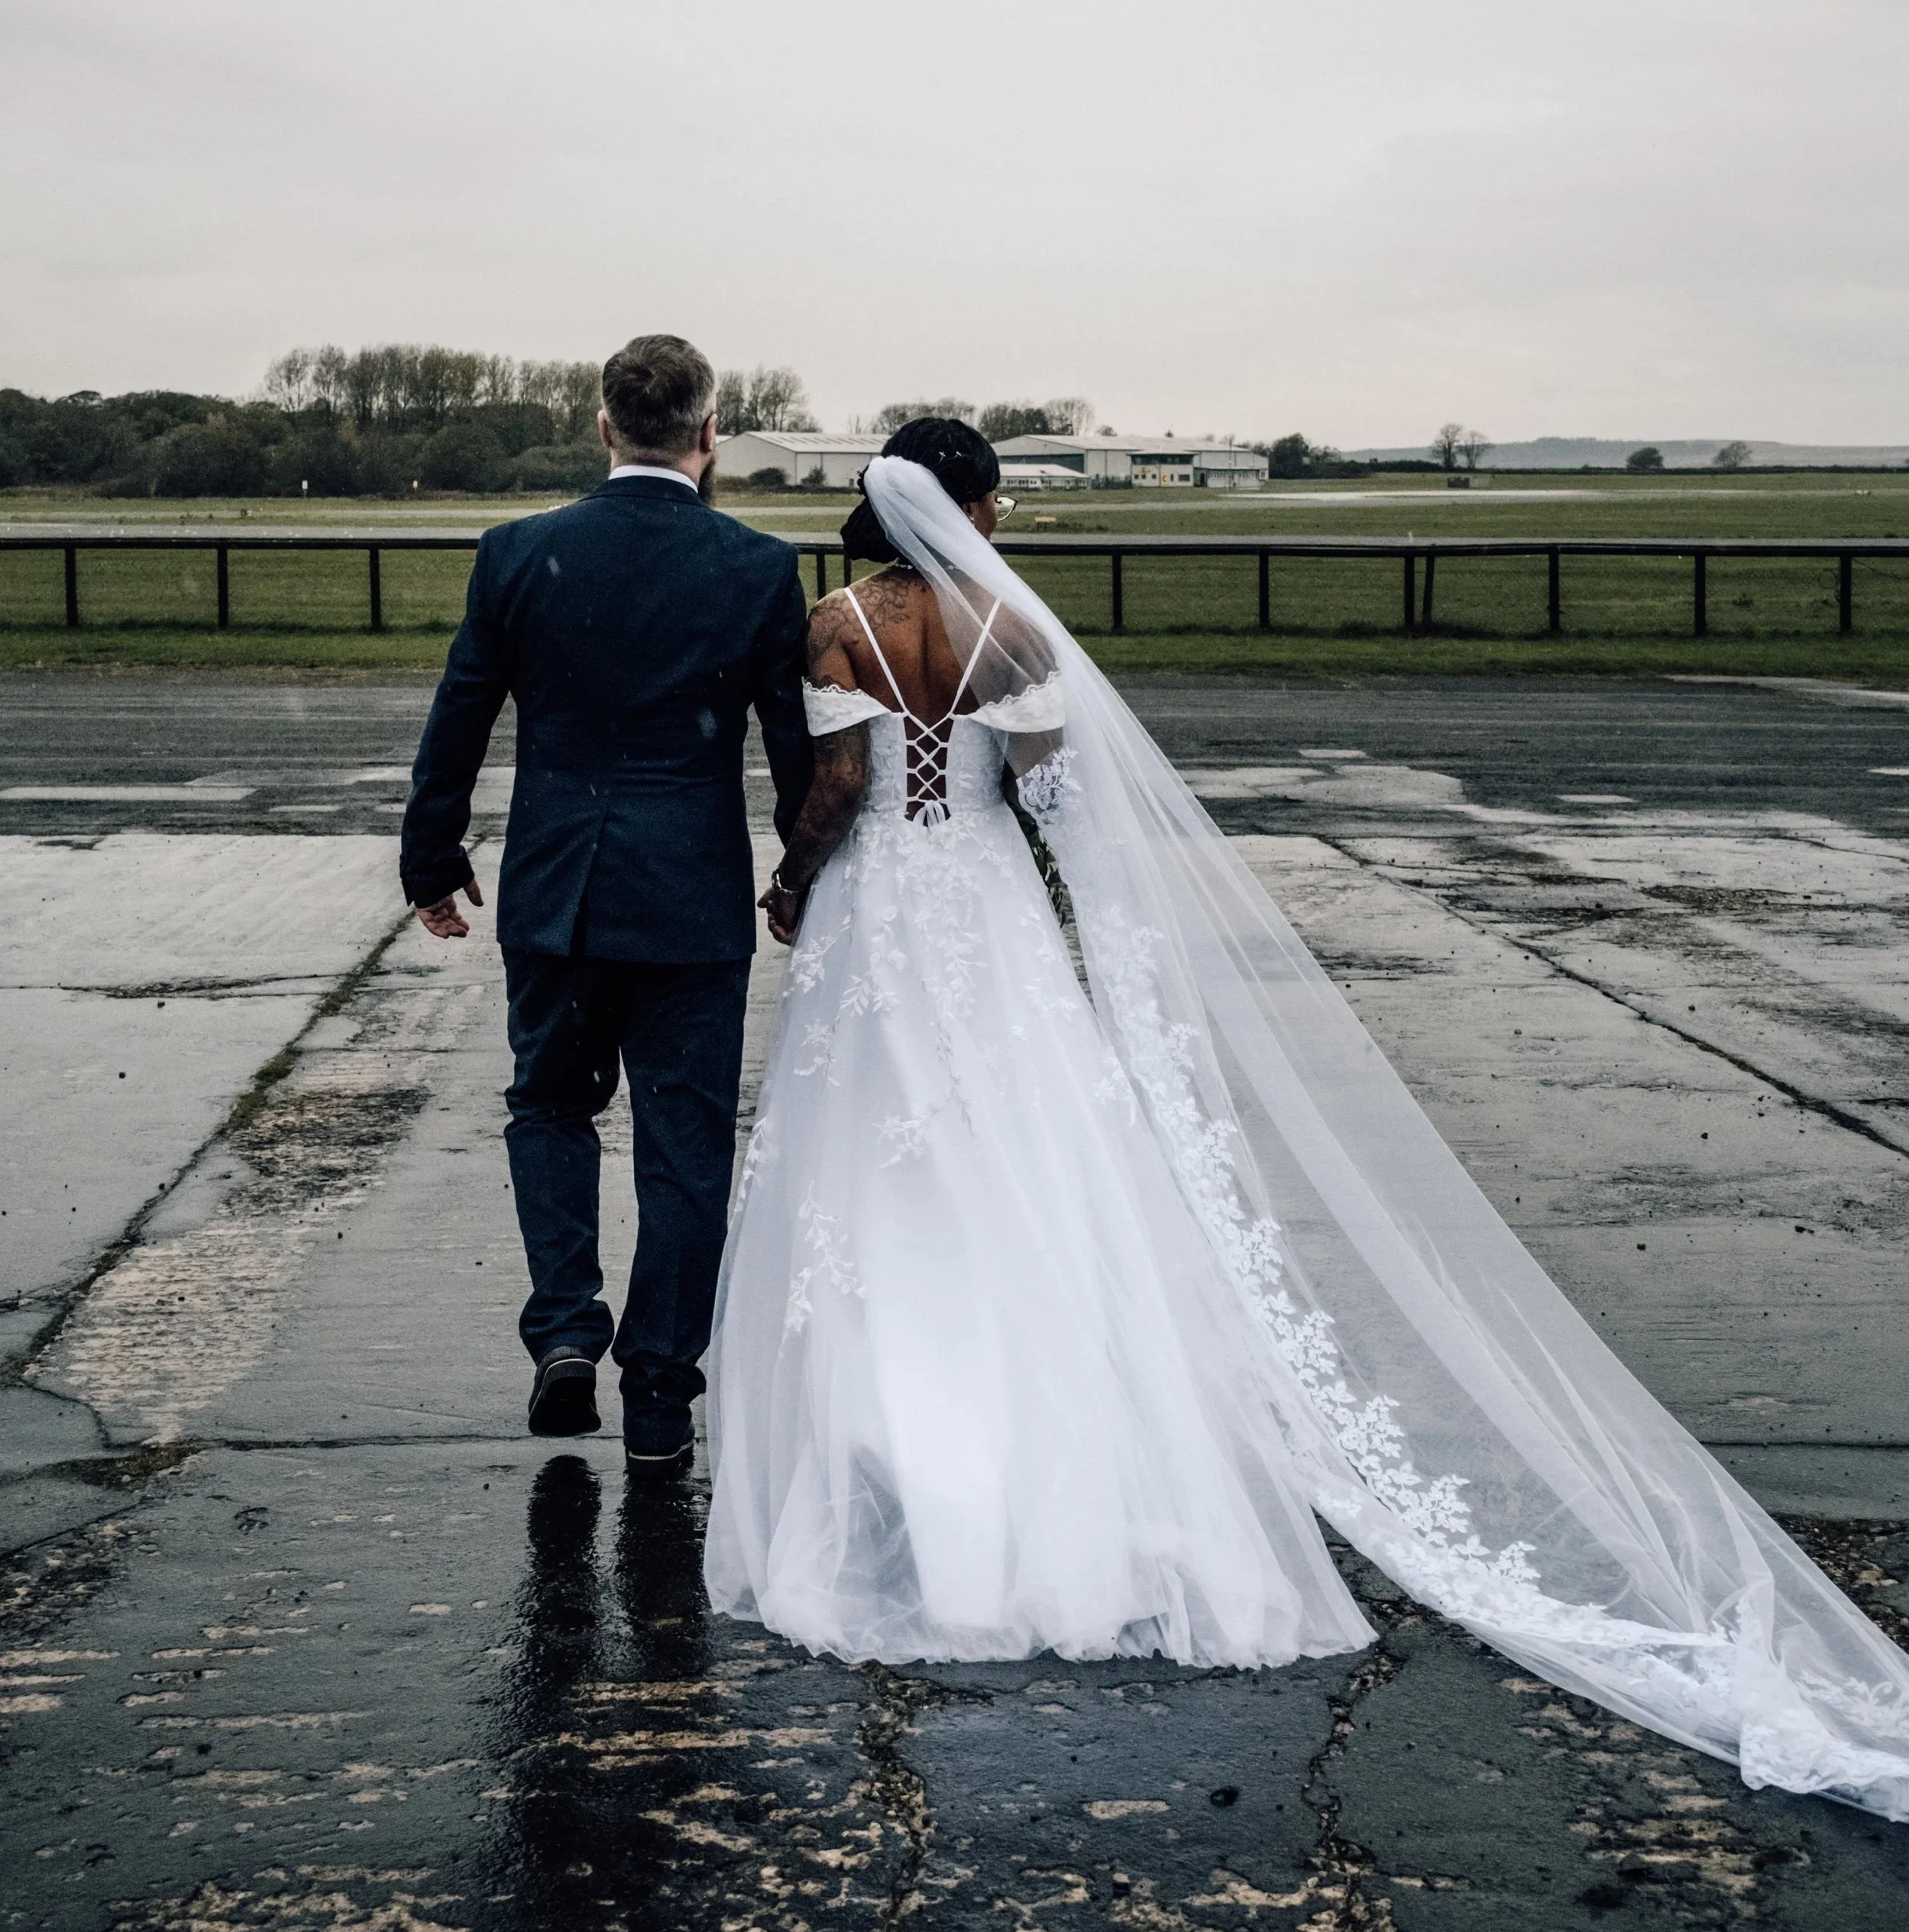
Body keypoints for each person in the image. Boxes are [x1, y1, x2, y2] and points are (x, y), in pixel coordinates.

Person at [705, 422, 1909, 1824]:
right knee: (1030, 1161)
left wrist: (795, 883)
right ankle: (1045, 1434)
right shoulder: (1015, 630)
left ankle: (891, 1439)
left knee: (870, 1168)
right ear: (964, 507)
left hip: (882, 924)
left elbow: (840, 790)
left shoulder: (837, 621)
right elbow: (1045, 794)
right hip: (987, 914)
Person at [401, 333, 812, 1468]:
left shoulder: (519, 553)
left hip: (555, 888)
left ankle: (566, 1335)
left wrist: (432, 860)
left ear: (603, 426)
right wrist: (799, 876)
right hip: (689, 899)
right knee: (684, 1147)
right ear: (708, 432)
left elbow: (460, 716)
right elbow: (794, 753)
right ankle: (662, 1397)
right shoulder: (755, 568)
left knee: (548, 1108)